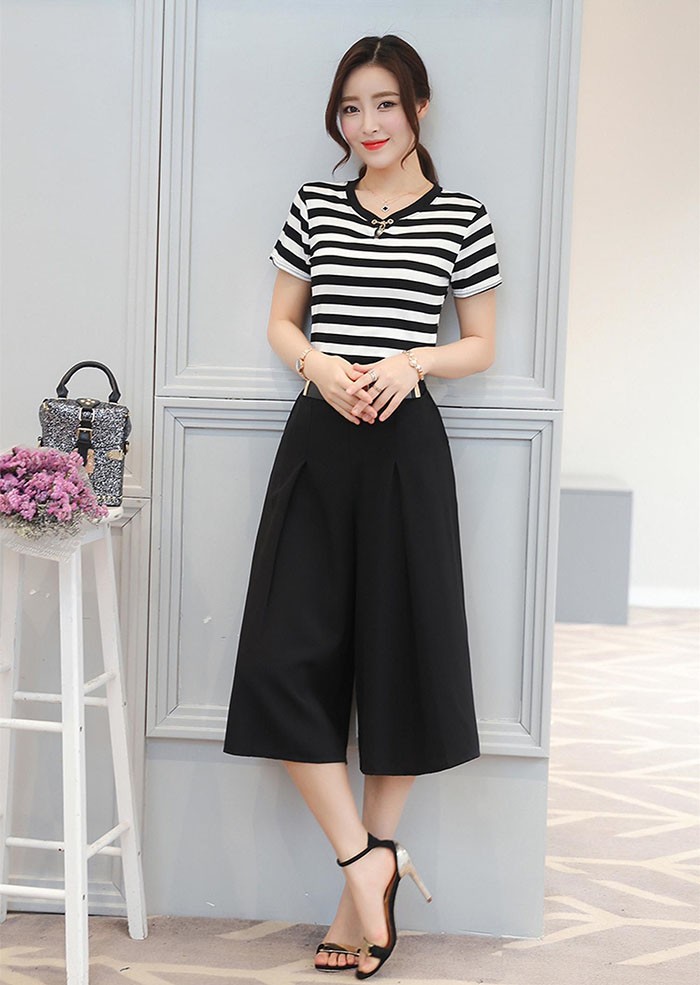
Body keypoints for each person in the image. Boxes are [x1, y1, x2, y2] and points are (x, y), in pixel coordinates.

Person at [223, 33, 502, 979]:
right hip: (318, 442)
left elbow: (480, 344)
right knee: (279, 659)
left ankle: (357, 904)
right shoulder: (315, 203)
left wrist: (412, 361)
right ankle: (368, 860)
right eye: (351, 108)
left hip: (406, 454)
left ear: (419, 107)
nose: (366, 124)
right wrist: (318, 364)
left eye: (384, 104)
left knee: (399, 659)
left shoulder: (462, 215)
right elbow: (281, 319)